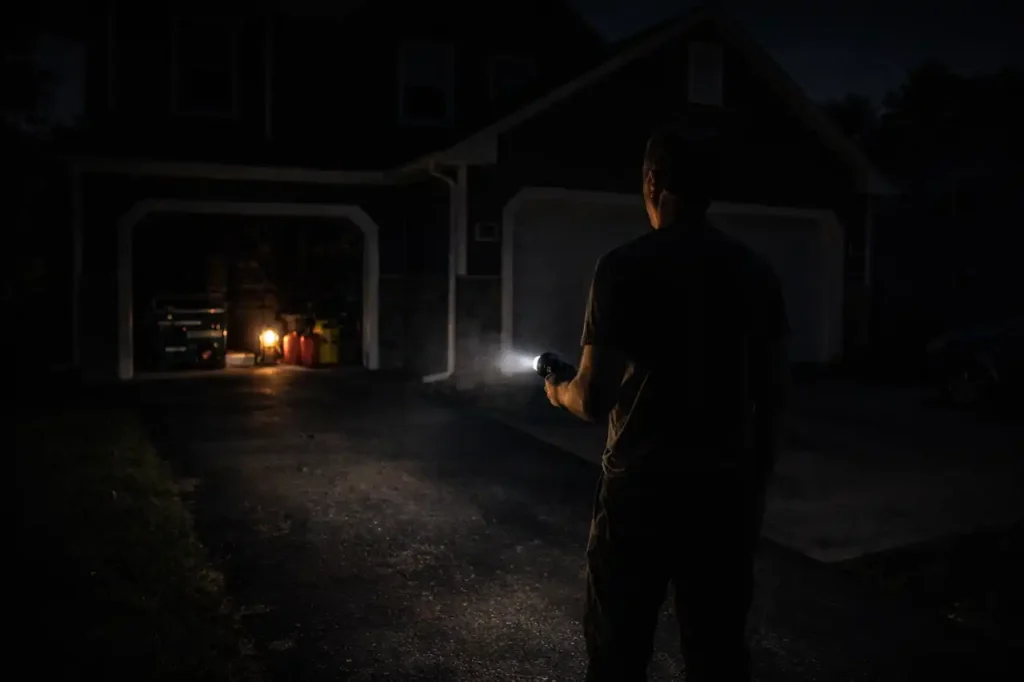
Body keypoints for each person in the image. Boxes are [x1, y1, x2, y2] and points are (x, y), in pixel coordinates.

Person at [543, 129, 790, 682]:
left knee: (618, 652)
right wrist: (755, 486)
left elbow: (591, 398)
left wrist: (557, 387)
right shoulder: (755, 272)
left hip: (640, 494)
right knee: (718, 652)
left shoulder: (624, 267)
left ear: (653, 181)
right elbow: (773, 395)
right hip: (725, 494)